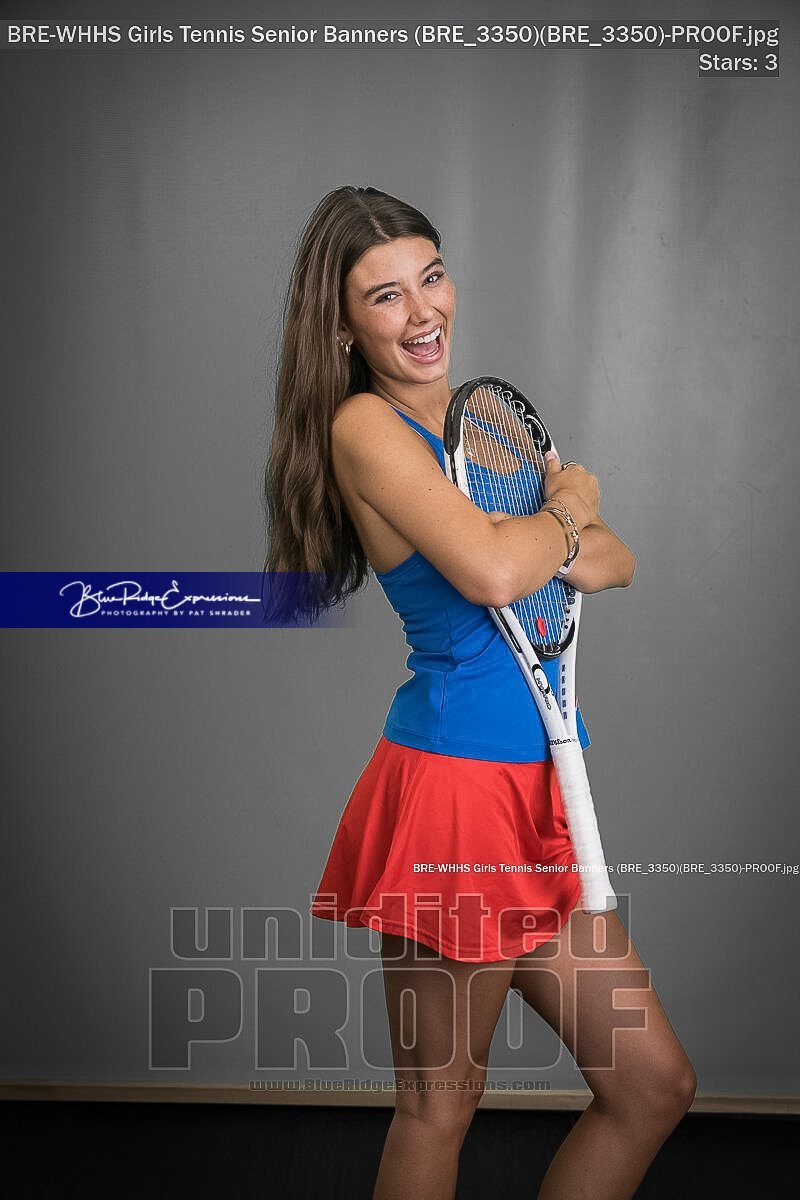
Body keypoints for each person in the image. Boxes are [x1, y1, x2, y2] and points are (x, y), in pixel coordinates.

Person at [264, 185, 696, 1200]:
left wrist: (548, 533)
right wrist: (569, 505)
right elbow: (500, 571)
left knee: (651, 1087)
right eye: (385, 296)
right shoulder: (365, 428)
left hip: (537, 793)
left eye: (431, 277)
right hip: (453, 796)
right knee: (439, 1106)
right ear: (342, 325)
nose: (423, 312)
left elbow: (617, 563)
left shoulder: (481, 428)